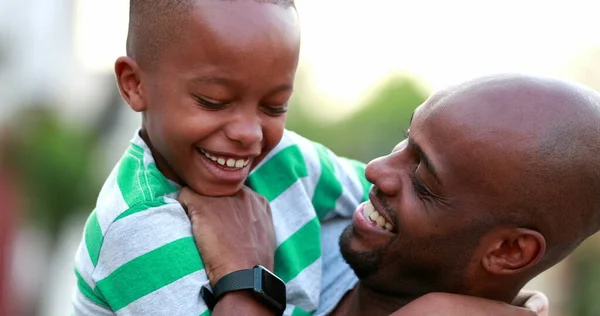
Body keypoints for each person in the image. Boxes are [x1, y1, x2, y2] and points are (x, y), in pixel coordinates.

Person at [180, 74, 599, 315]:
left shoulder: (244, 254)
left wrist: (245, 285)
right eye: (404, 144)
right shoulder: (300, 211)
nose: (377, 171)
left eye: (423, 180)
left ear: (508, 250)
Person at [71, 1, 369, 315]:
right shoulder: (136, 224)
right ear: (135, 84)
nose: (249, 133)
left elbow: (385, 200)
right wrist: (245, 274)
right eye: (213, 102)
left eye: (274, 106)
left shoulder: (284, 160)